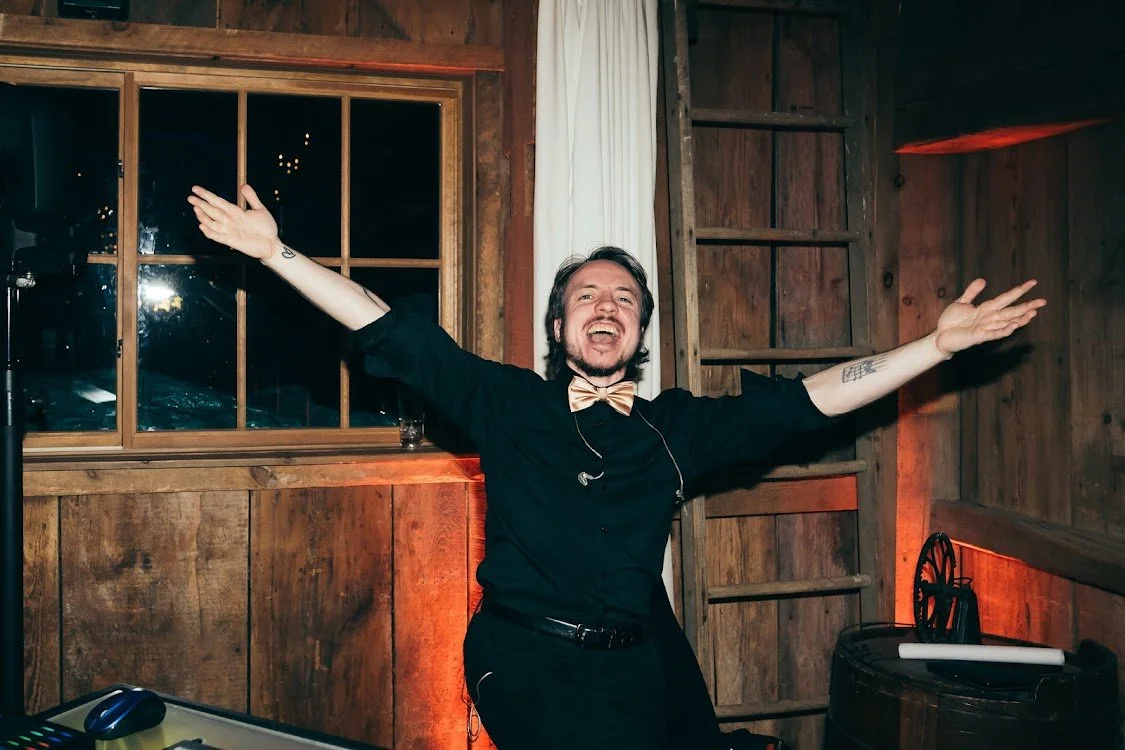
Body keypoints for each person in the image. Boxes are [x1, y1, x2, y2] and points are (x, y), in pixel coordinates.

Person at [187, 183, 1045, 750]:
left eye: (623, 299)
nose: (606, 307)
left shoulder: (675, 430)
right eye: (586, 297)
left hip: (635, 658)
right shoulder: (507, 403)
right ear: (558, 328)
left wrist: (932, 346)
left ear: (638, 334)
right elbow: (389, 328)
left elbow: (809, 401)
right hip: (523, 655)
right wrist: (274, 254)